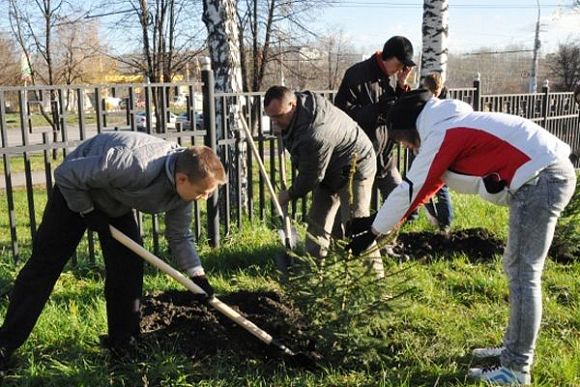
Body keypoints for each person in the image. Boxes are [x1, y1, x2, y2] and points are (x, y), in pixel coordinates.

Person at [348, 89, 576, 385]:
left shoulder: (444, 132)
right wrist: (380, 224)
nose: (404, 145)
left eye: (401, 139)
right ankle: (513, 348)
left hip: (543, 179)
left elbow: (411, 187)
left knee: (523, 274)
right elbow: (427, 186)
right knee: (517, 269)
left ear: (410, 128)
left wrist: (373, 230)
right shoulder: (449, 123)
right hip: (543, 174)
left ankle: (516, 368)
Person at [0, 131, 226, 370]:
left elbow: (180, 235)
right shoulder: (134, 164)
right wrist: (86, 211)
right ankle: (6, 342)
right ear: (182, 179)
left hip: (114, 201)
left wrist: (197, 276)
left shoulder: (185, 192)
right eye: (202, 192)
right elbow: (66, 174)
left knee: (128, 268)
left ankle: (123, 344)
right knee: (45, 266)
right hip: (75, 191)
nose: (204, 198)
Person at [263, 85, 384, 278]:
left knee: (356, 225)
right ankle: (313, 275)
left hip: (356, 165)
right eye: (270, 117)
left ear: (293, 105)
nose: (274, 123)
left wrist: (288, 195)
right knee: (317, 222)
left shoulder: (315, 133)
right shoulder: (300, 105)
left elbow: (311, 176)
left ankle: (375, 281)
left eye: (278, 117)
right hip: (329, 166)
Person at [334, 35, 414, 204]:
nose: (400, 69)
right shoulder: (357, 74)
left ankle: (386, 229)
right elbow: (343, 114)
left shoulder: (390, 77)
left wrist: (401, 86)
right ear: (389, 56)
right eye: (399, 64)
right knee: (356, 213)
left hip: (384, 158)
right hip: (359, 159)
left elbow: (398, 113)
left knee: (404, 206)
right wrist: (378, 109)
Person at [418, 72, 454, 235]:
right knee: (440, 185)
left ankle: (440, 219)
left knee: (428, 184)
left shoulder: (425, 102)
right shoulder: (448, 103)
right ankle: (443, 221)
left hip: (430, 145)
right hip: (445, 146)